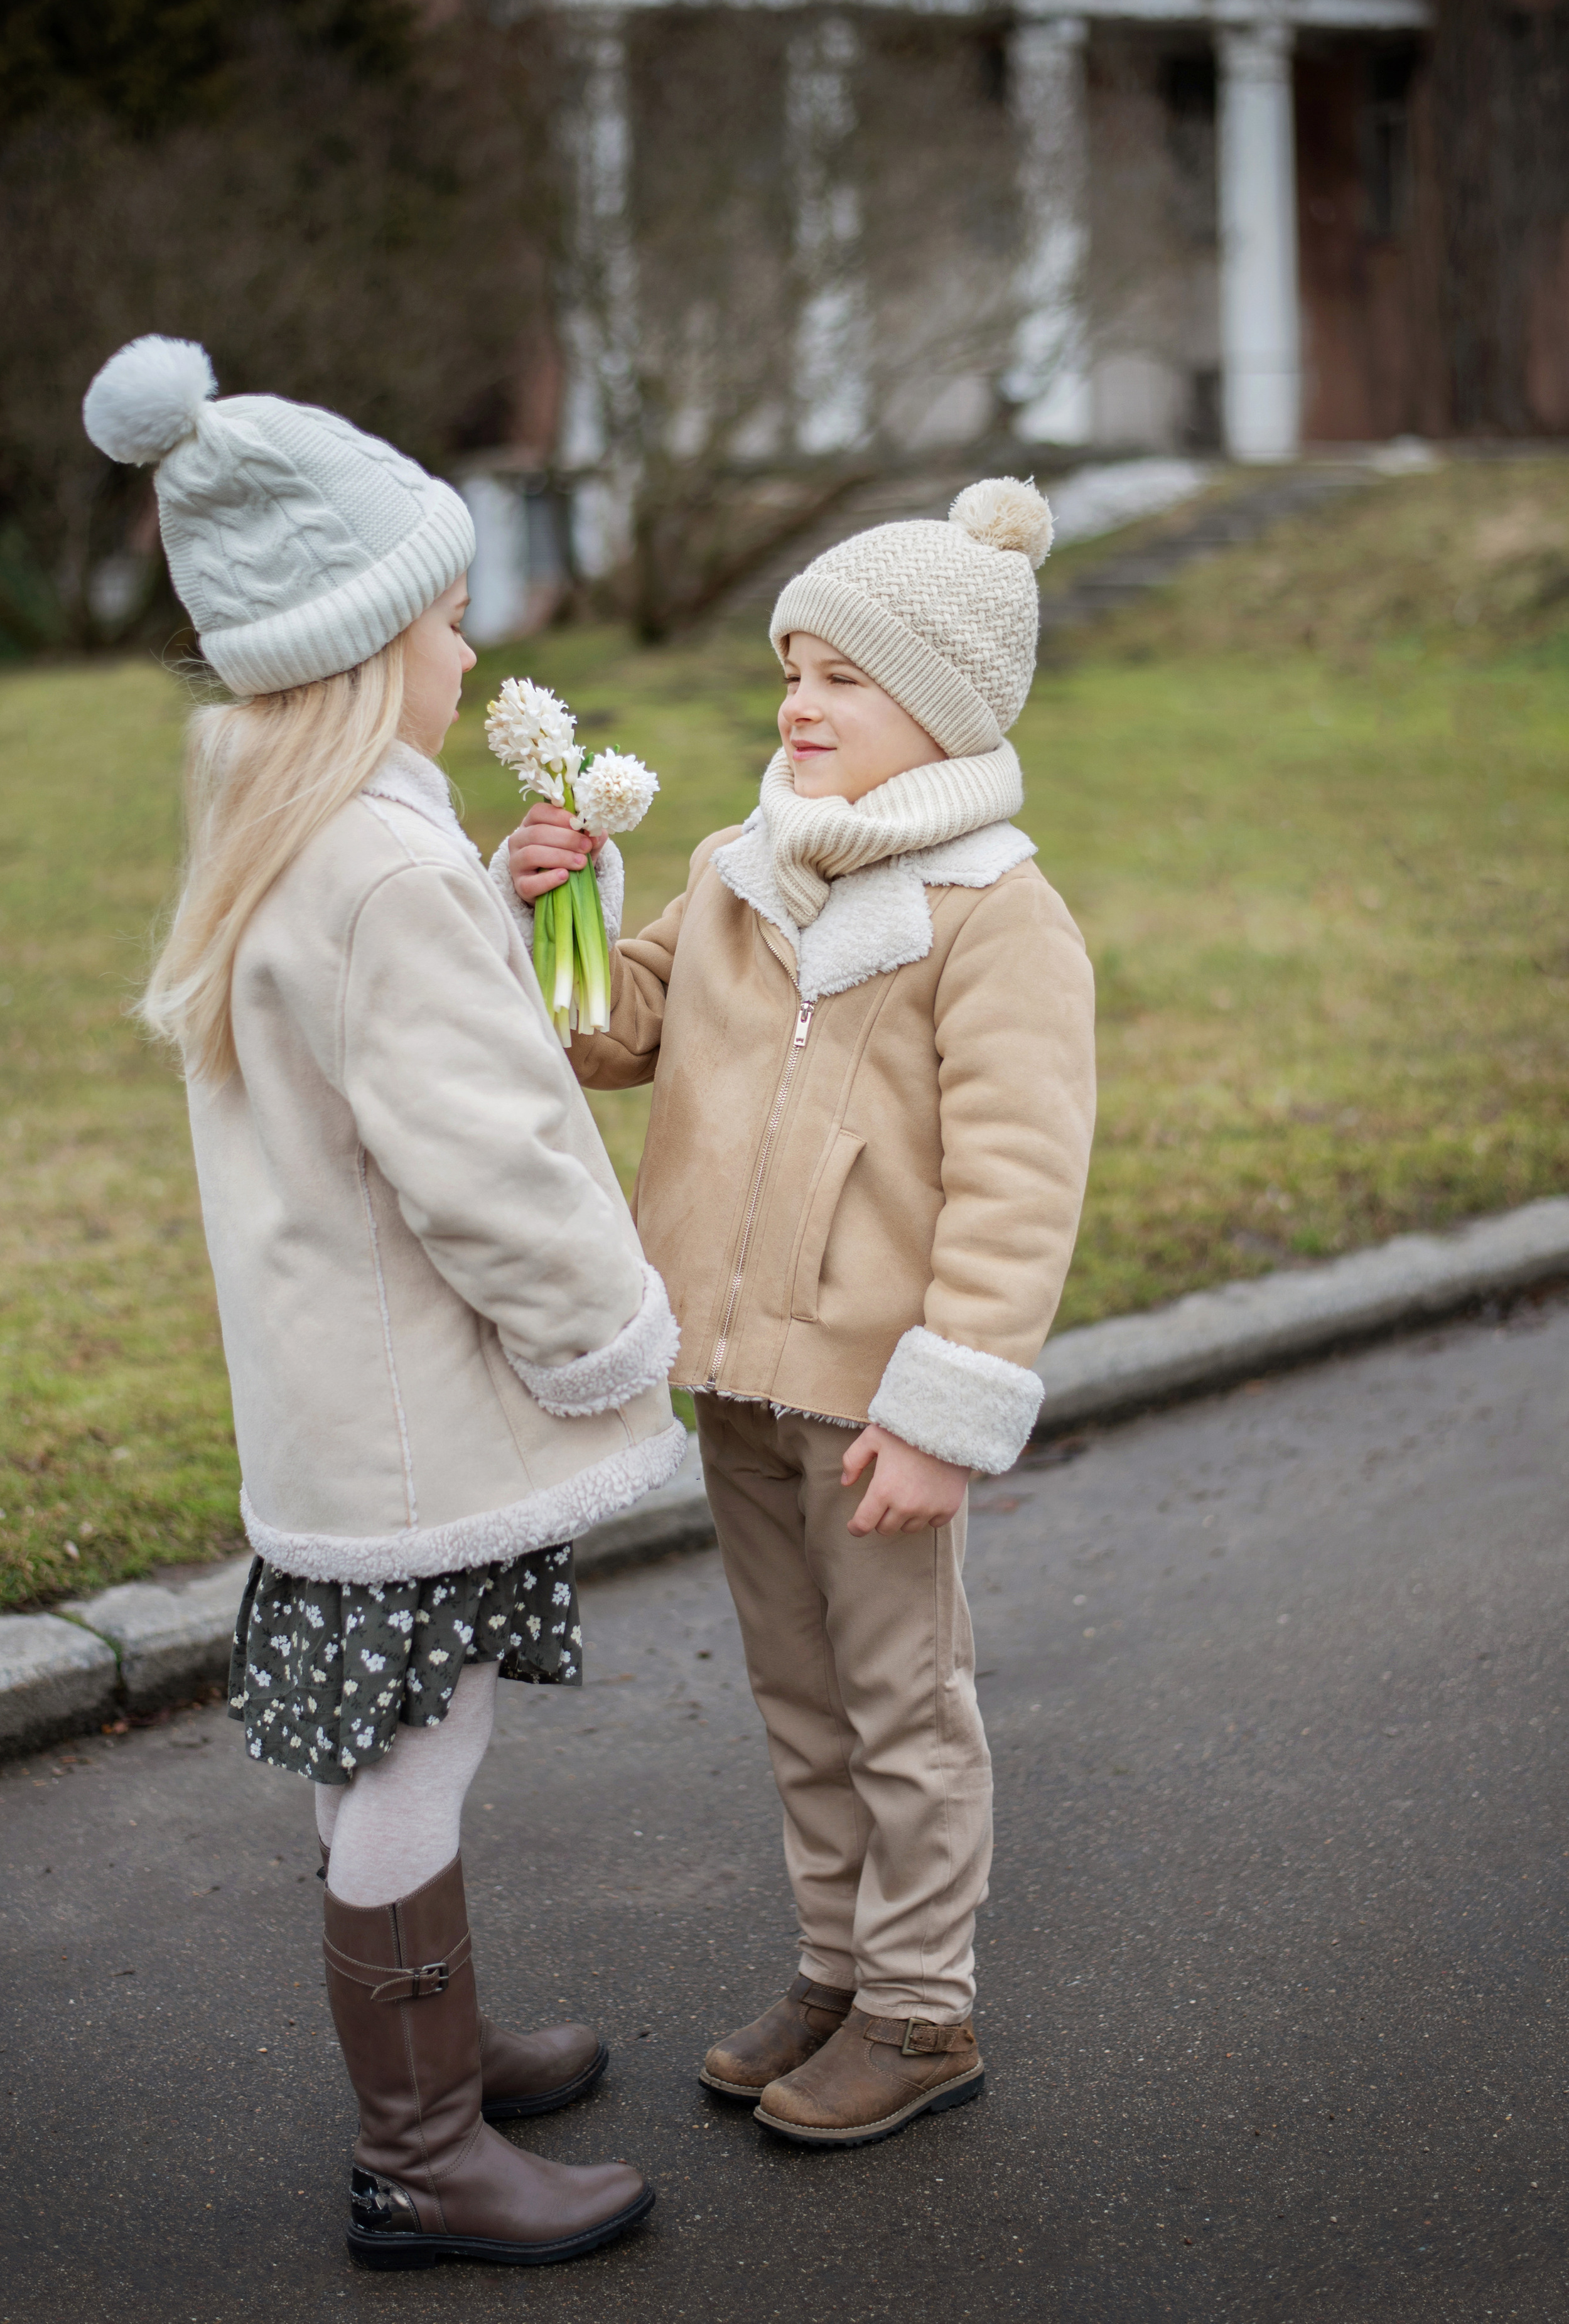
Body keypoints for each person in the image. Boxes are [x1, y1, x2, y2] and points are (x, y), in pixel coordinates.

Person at [84, 335, 686, 2266]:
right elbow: (493, 1160)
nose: (469, 650)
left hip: (338, 1398)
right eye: (443, 621)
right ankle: (417, 2152)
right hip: (419, 1407)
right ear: (364, 646)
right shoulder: (379, 870)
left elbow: (370, 1040)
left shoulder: (299, 826)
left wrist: (495, 909)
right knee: (416, 1751)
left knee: (397, 1741)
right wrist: (607, 1333)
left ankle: (443, 2051)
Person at [506, 478, 1097, 2148]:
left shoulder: (997, 919)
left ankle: (921, 2012)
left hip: (875, 1402)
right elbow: (609, 1034)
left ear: (945, 705)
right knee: (798, 1692)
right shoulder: (743, 869)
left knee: (903, 1706)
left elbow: (1016, 1183)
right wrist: (562, 900)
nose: (797, 703)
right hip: (736, 1377)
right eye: (792, 667)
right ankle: (837, 1969)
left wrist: (948, 1405)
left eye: (843, 674)